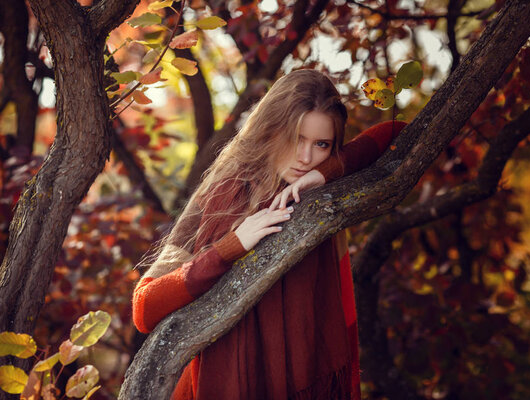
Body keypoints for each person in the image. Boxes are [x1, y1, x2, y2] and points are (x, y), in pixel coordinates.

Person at [132, 69, 406, 400]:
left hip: (307, 378)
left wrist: (323, 174)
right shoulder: (220, 193)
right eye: (294, 139)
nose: (305, 158)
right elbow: (143, 309)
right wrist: (228, 248)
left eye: (321, 145)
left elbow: (398, 132)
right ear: (270, 131)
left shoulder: (322, 183)